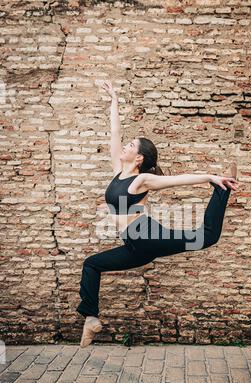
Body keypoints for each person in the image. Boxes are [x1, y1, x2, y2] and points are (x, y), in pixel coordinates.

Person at [77, 80, 239, 348]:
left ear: (139, 158)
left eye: (131, 146)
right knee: (92, 264)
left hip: (148, 236)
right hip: (134, 244)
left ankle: (222, 189)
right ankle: (91, 318)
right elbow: (114, 133)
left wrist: (210, 176)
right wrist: (114, 101)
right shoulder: (118, 170)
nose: (125, 147)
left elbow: (179, 180)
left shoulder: (140, 181)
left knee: (206, 237)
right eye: (127, 145)